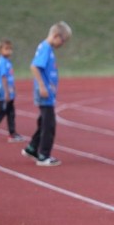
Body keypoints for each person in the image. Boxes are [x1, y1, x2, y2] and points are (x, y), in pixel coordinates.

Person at [22, 22, 72, 167]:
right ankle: (44, 156)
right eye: (63, 41)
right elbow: (34, 66)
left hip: (48, 93)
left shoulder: (47, 48)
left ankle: (32, 148)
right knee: (49, 125)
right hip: (45, 94)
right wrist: (43, 86)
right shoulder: (45, 48)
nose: (62, 44)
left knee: (43, 122)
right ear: (56, 36)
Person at [0, 38, 24, 143]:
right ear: (0, 50)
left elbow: (9, 77)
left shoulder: (7, 61)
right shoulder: (2, 62)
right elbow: (3, 77)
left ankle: (12, 134)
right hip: (3, 92)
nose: (9, 51)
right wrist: (7, 92)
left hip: (9, 91)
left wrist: (13, 90)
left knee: (11, 112)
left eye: (10, 49)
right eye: (6, 49)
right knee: (2, 112)